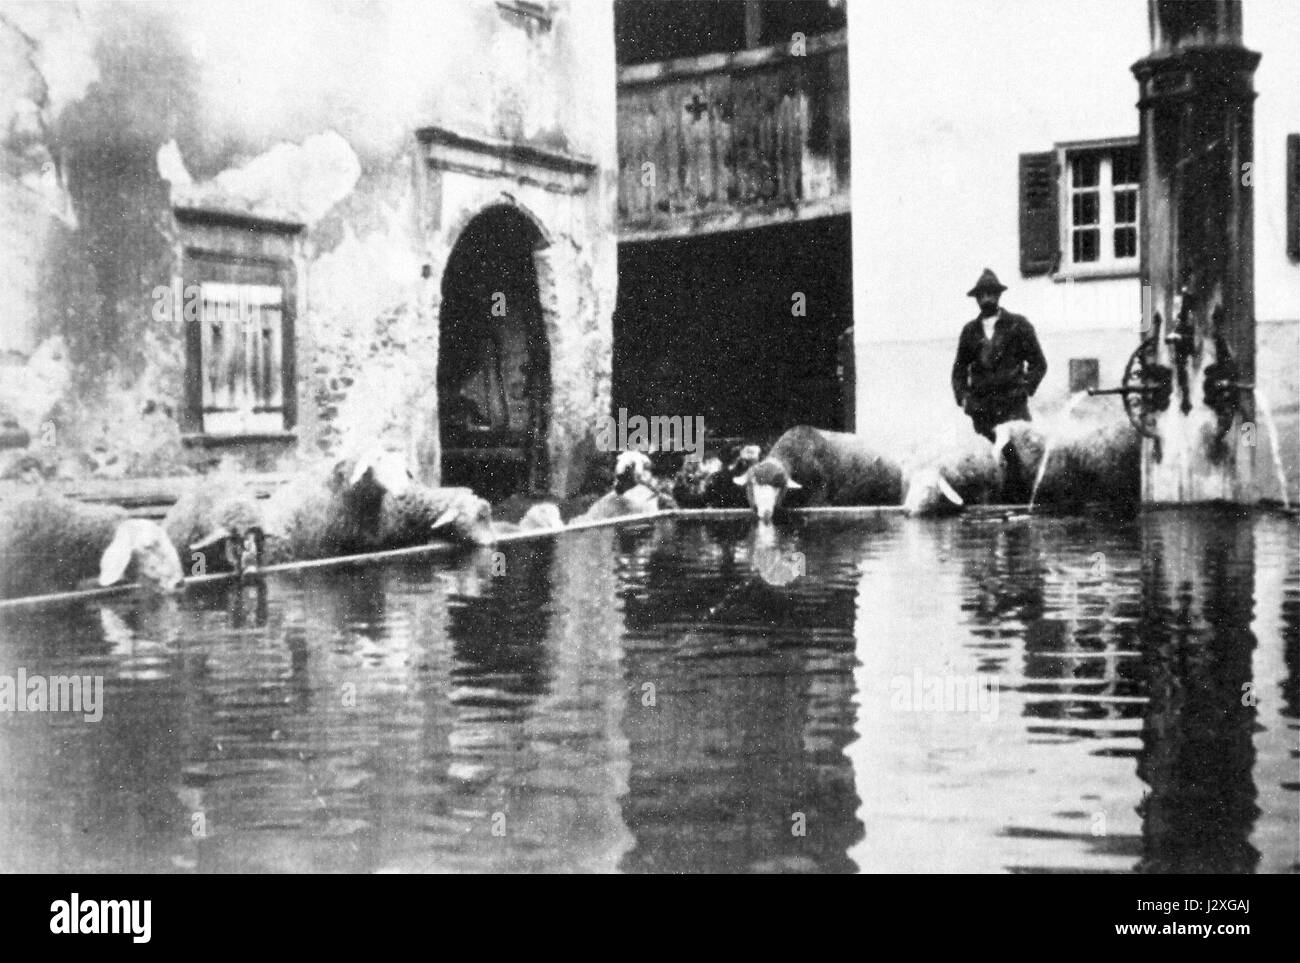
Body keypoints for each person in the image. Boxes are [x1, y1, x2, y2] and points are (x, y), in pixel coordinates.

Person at [951, 269, 1047, 442]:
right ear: (977, 298)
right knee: (991, 459)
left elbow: (1039, 363)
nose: (986, 298)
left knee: (1019, 457)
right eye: (982, 294)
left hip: (1013, 408)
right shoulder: (970, 331)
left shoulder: (1018, 325)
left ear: (998, 295)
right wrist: (964, 398)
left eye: (991, 293)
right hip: (982, 411)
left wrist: (1024, 388)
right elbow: (959, 371)